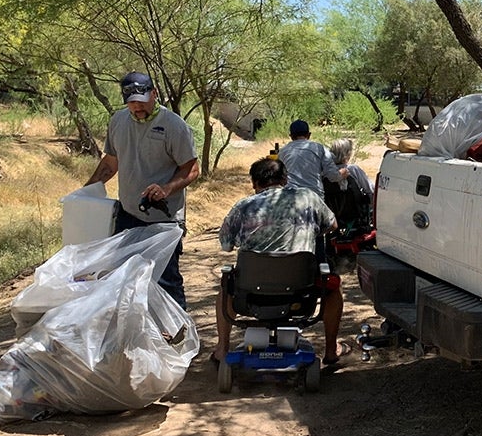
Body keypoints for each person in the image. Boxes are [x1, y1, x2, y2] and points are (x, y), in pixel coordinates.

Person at [85, 71, 198, 311]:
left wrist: (166, 188)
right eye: (132, 102)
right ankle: (134, 330)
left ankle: (177, 332)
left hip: (163, 218)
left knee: (166, 279)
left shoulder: (174, 126)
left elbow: (192, 169)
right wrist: (85, 193)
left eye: (142, 101)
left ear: (154, 94)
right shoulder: (118, 121)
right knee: (124, 274)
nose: (137, 107)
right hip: (128, 214)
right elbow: (110, 162)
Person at [216, 157, 346, 366]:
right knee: (333, 287)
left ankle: (221, 349)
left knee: (225, 288)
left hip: (250, 294)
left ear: (254, 184)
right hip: (302, 292)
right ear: (285, 179)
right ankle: (331, 349)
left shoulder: (243, 207)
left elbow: (225, 244)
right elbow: (332, 225)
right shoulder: (308, 198)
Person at [277, 119, 347, 196]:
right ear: (309, 135)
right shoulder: (320, 148)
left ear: (291, 136)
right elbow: (332, 176)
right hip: (314, 196)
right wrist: (342, 174)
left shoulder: (282, 152)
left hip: (290, 196)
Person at [324, 138, 374, 232]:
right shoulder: (353, 170)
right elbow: (371, 189)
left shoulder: (326, 173)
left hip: (334, 217)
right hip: (356, 214)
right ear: (347, 154)